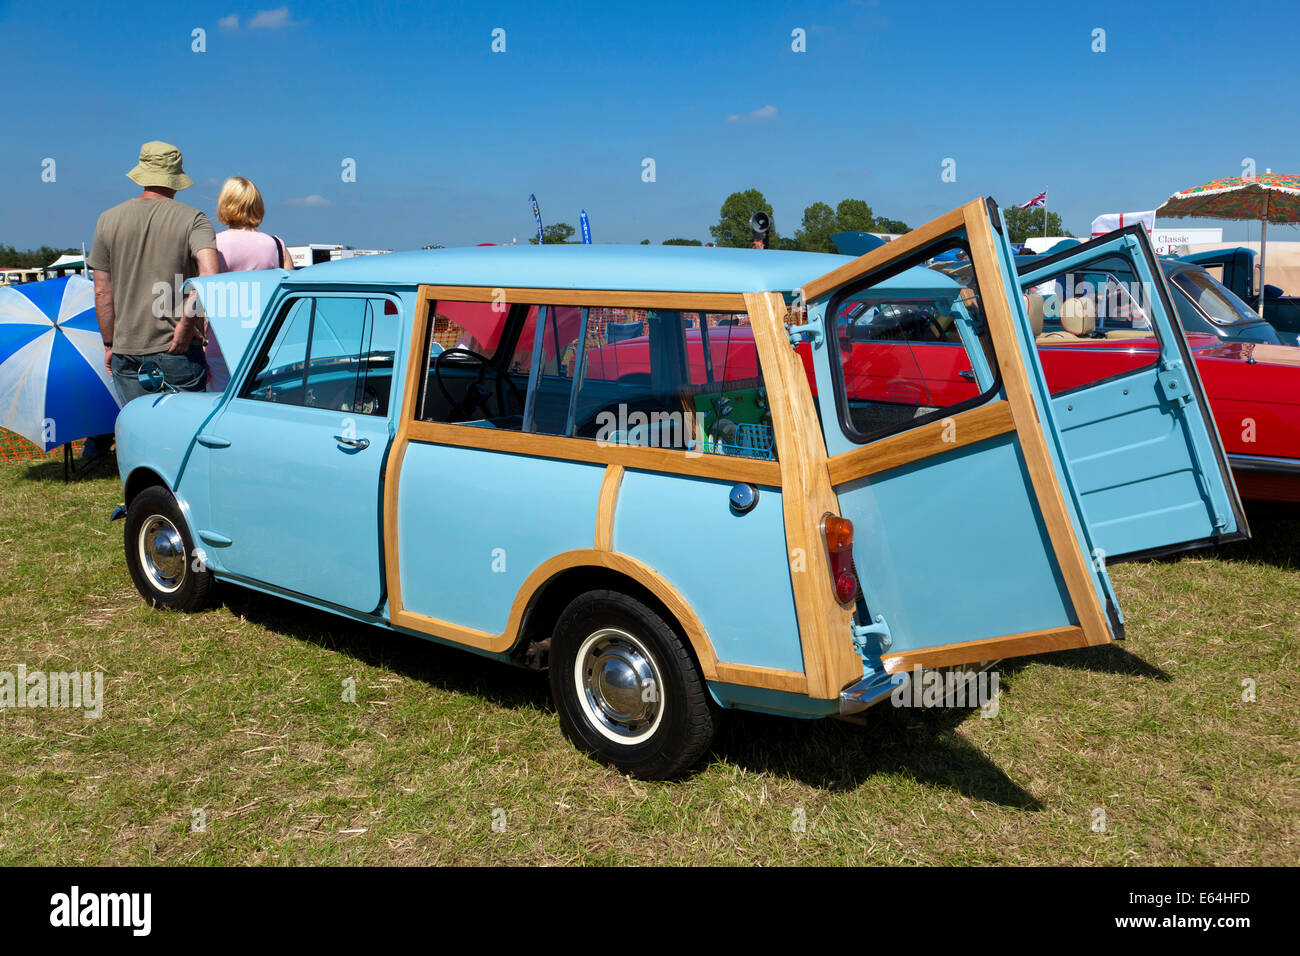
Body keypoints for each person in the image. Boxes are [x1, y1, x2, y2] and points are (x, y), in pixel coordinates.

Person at [87, 141, 219, 414]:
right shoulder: (194, 219)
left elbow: (102, 291)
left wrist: (110, 343)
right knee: (184, 435)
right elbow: (210, 276)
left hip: (127, 350)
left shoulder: (107, 220)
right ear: (176, 178)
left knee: (140, 435)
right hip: (178, 348)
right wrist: (186, 323)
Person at [207, 177, 293, 390]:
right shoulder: (277, 245)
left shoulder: (213, 244)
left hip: (222, 341)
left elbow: (202, 296)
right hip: (267, 341)